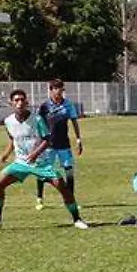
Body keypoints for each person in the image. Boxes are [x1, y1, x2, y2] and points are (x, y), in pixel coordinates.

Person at [0, 89, 88, 232]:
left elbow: (47, 140)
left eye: (22, 100)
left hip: (41, 162)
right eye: (16, 100)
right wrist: (6, 154)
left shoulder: (37, 119)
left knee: (62, 186)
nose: (19, 103)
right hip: (21, 163)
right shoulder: (8, 121)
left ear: (27, 102)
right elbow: (13, 139)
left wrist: (35, 154)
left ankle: (77, 219)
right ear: (11, 103)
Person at [35, 78, 83, 210]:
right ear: (50, 90)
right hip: (48, 145)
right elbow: (38, 124)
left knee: (69, 171)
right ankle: (39, 199)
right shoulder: (44, 106)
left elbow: (74, 121)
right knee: (42, 172)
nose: (59, 92)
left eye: (61, 90)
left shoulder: (68, 105)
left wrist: (78, 139)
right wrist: (38, 142)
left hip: (64, 144)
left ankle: (70, 199)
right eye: (56, 89)